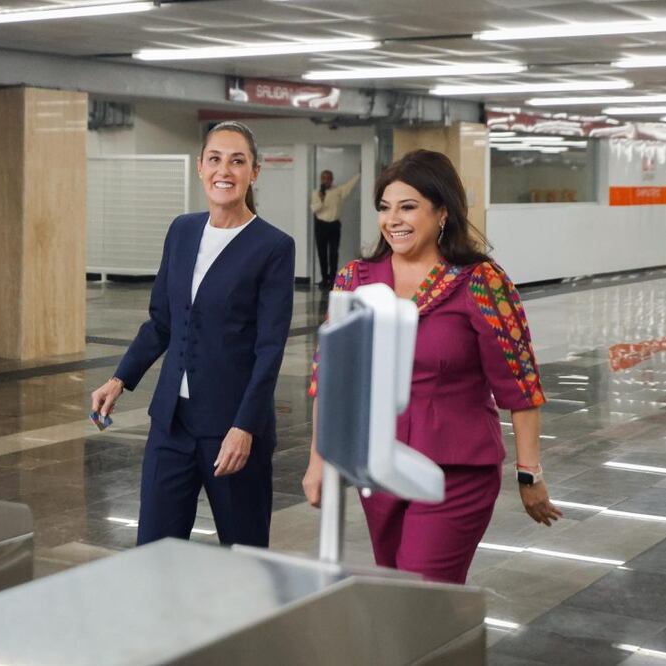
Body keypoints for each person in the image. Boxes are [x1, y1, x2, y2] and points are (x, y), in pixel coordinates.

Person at [302, 149, 561, 584]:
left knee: (421, 590)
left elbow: (520, 384)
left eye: (408, 207)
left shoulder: (482, 281)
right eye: (385, 208)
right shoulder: (354, 279)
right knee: (399, 593)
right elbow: (328, 377)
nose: (393, 219)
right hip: (379, 467)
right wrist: (318, 461)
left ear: (442, 212)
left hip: (455, 470)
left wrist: (529, 471)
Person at [91, 121, 295, 548]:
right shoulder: (182, 231)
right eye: (215, 159)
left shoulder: (273, 246)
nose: (225, 170)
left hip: (232, 428)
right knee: (155, 551)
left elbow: (269, 349)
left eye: (237, 161)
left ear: (254, 172)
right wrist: (120, 378)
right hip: (171, 424)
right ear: (200, 167)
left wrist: (245, 426)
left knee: (244, 556)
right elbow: (162, 320)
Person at [311, 169, 360, 290]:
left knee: (333, 253)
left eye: (328, 178)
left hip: (334, 225)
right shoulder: (316, 192)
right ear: (321, 180)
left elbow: (350, 185)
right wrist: (322, 199)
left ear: (332, 180)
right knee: (322, 253)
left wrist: (359, 173)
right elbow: (314, 209)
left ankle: (333, 279)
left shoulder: (338, 191)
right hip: (320, 225)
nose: (326, 180)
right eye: (324, 178)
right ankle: (324, 278)